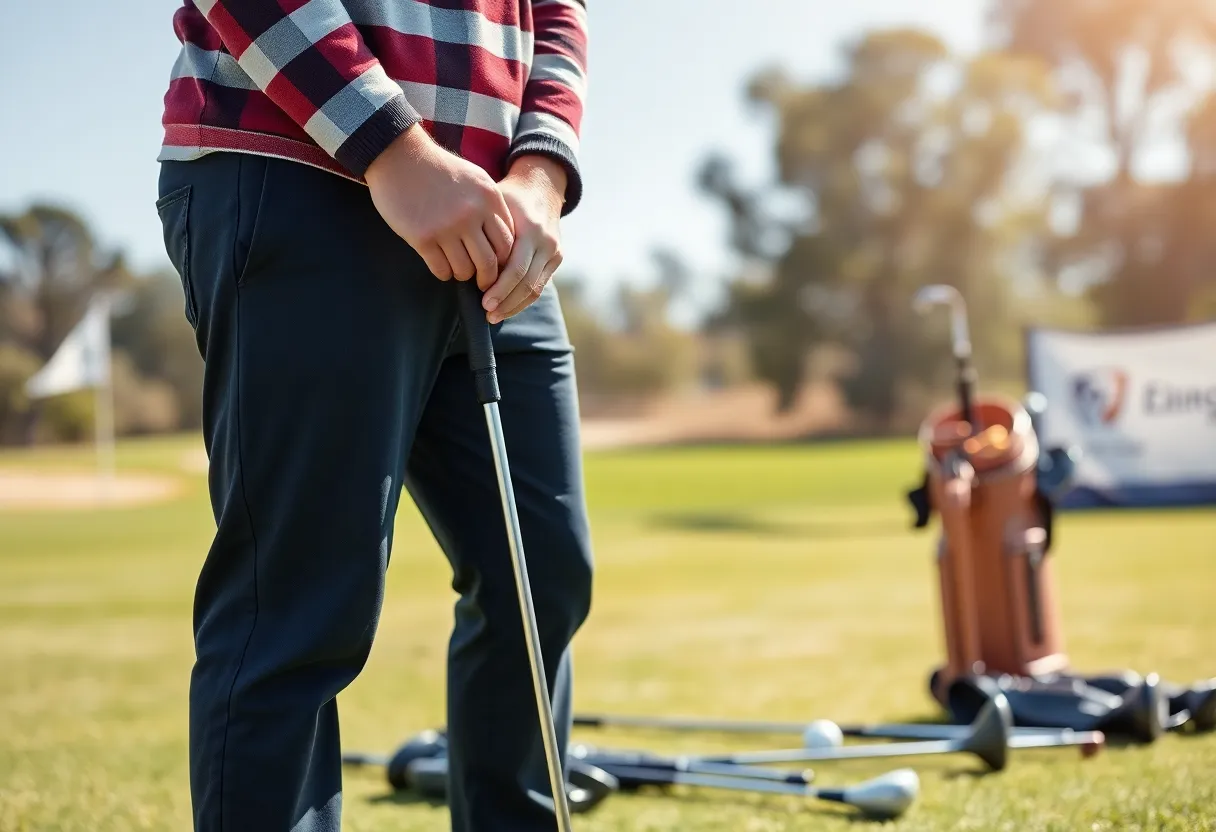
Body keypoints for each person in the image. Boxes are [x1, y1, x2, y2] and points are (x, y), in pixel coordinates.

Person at [153, 2, 592, 831]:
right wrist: (392, 147)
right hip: (299, 170)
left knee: (541, 571)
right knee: (303, 599)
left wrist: (542, 170)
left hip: (495, 216)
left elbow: (559, 12)